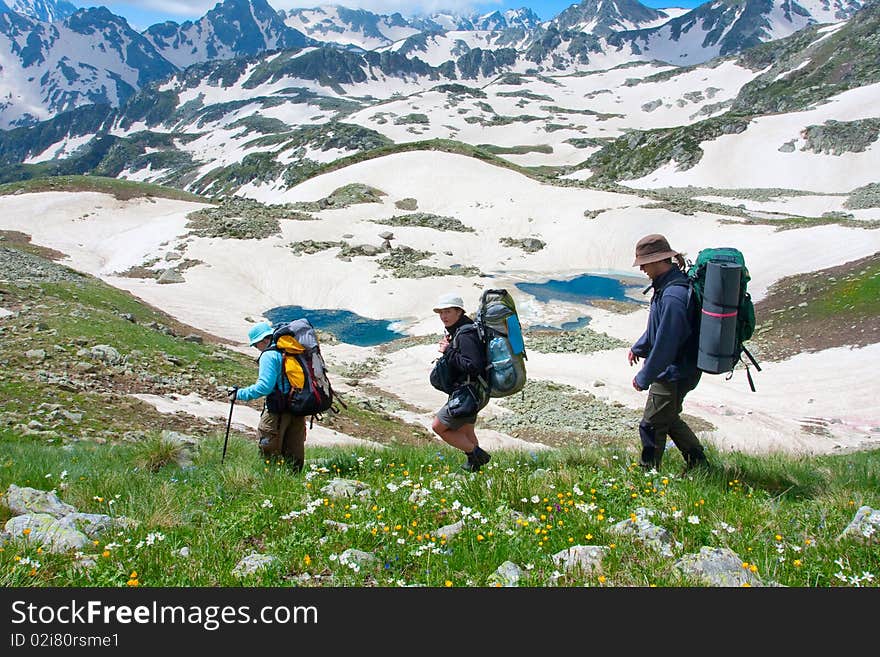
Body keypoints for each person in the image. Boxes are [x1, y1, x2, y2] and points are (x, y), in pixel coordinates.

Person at [628, 234, 710, 473]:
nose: (641, 267)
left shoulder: (673, 294)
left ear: (659, 260)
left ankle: (648, 473)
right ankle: (699, 465)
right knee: (669, 418)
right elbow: (658, 328)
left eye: (644, 262)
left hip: (673, 372)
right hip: (681, 369)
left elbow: (666, 342)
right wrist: (639, 347)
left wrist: (644, 377)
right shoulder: (668, 286)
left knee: (652, 424)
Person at [229, 321, 307, 472]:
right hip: (298, 408)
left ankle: (271, 482)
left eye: (256, 344)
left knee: (268, 452)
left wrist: (239, 394)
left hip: (277, 412)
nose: (257, 348)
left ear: (264, 340)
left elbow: (264, 387)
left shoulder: (269, 355)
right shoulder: (293, 350)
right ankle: (294, 482)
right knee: (294, 451)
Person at [430, 293, 491, 473]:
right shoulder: (462, 330)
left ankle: (477, 454)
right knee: (466, 432)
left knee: (438, 426)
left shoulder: (465, 334)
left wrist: (448, 351)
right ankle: (475, 468)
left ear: (459, 312)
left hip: (468, 392)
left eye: (448, 311)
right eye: (441, 312)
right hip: (475, 391)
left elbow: (473, 365)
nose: (444, 316)